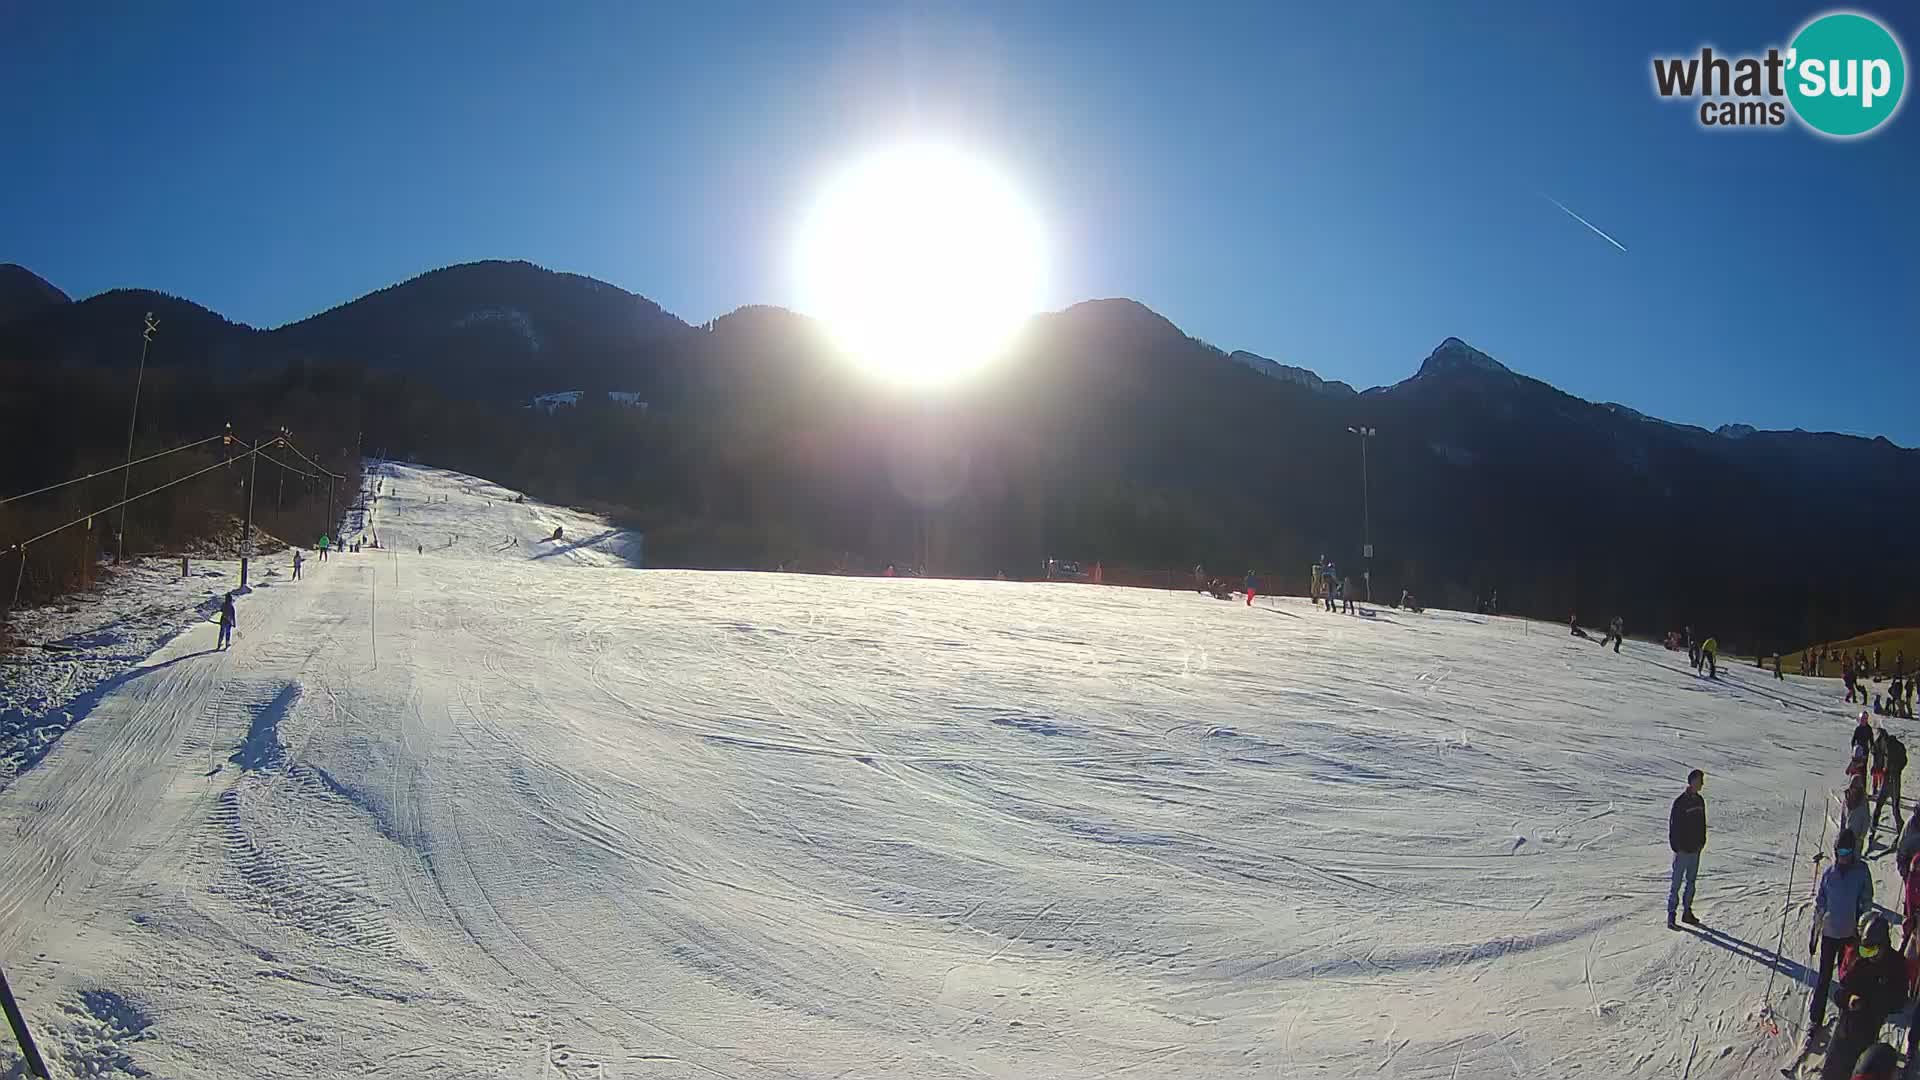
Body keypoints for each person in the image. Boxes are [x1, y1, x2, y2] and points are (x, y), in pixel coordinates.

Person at [1817, 916, 1905, 1077]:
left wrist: (1878, 1002)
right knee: (1832, 1071)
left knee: (1860, 1071)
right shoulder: (1860, 961)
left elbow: (1900, 1001)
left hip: (1870, 1027)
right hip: (1846, 1027)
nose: (1868, 955)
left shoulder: (1896, 964)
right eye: (1866, 950)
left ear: (1884, 944)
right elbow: (1839, 993)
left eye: (1872, 950)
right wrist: (1849, 999)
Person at [1809, 829, 1874, 1040]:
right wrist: (1815, 932)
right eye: (1839, 851)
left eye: (1846, 851)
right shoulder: (1829, 873)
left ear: (1853, 850)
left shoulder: (1861, 871)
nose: (1842, 855)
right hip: (1830, 933)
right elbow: (1820, 903)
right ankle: (1815, 1019)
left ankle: (1847, 1018)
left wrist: (1863, 929)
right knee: (1824, 978)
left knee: (1848, 980)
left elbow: (1867, 900)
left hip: (1850, 935)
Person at [1667, 769, 1706, 927]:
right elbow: (1673, 826)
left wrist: (1701, 842)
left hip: (1695, 850)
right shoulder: (1680, 802)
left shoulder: (1699, 801)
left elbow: (1702, 824)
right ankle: (1671, 915)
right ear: (1692, 782)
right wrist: (1677, 847)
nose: (1702, 784)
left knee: (1691, 882)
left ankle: (1687, 912)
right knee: (1676, 883)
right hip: (1683, 851)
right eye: (1699, 781)